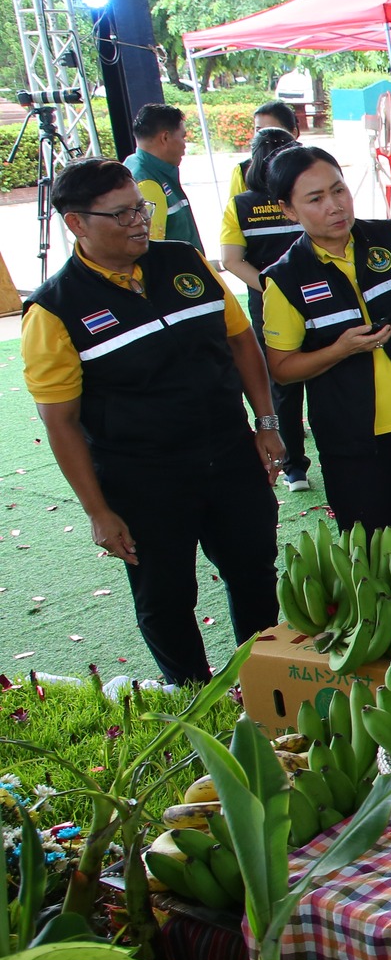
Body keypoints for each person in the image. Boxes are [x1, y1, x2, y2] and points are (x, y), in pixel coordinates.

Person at [23, 159, 282, 685]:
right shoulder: (53, 310)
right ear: (77, 224)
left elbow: (239, 340)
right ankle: (191, 698)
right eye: (121, 215)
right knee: (165, 599)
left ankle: (261, 681)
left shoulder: (184, 260)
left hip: (231, 455)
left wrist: (267, 420)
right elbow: (61, 423)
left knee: (254, 571)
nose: (139, 222)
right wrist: (98, 511)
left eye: (139, 208)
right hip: (144, 479)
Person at [262, 146, 391, 550]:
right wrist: (340, 349)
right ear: (288, 211)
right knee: (371, 554)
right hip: (350, 438)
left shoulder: (390, 238)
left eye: (339, 190)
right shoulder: (285, 278)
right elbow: (282, 367)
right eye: (315, 199)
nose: (335, 206)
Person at [216, 126, 313, 494]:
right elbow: (230, 261)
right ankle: (295, 465)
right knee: (310, 378)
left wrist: (270, 289)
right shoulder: (300, 197)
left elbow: (231, 261)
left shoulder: (239, 205)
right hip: (311, 301)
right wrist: (282, 290)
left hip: (269, 305)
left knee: (284, 384)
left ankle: (294, 468)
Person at [124, 104, 203, 252]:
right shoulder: (147, 183)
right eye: (183, 137)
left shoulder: (135, 163)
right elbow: (151, 250)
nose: (185, 145)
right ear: (165, 137)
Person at [226, 100, 299, 199]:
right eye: (259, 130)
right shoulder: (242, 170)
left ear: (293, 132)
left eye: (272, 129)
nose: (264, 136)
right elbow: (234, 209)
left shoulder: (312, 165)